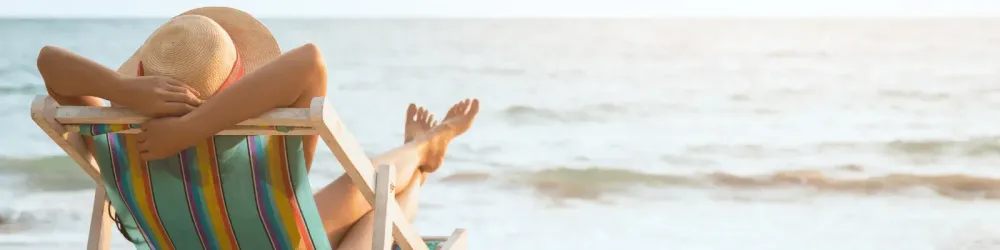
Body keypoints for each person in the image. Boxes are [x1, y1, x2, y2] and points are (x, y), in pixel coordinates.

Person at [35, 6, 478, 249]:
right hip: (282, 242)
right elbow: (311, 61)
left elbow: (49, 62)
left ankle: (423, 150)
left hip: (212, 239)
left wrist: (122, 91)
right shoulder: (253, 146)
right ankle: (423, 153)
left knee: (368, 187)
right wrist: (192, 129)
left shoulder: (120, 141)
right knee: (381, 199)